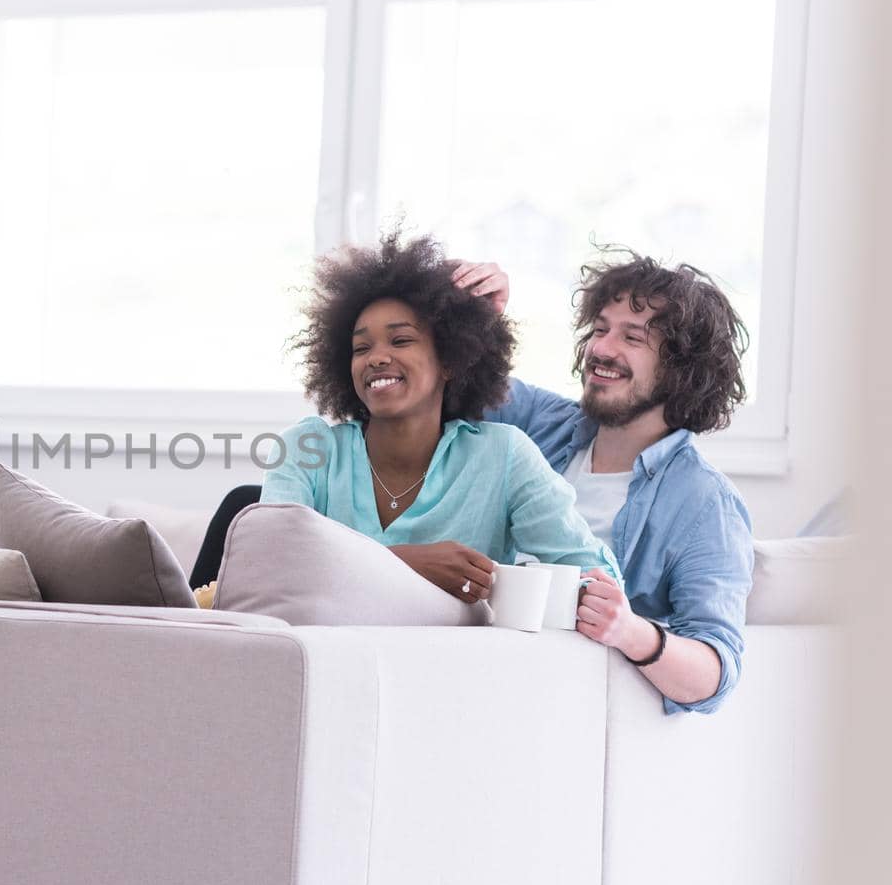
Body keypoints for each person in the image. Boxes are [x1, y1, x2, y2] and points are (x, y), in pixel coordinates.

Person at [192, 231, 619, 619]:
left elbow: (595, 576)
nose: (376, 357)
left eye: (400, 341)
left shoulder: (502, 455)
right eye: (362, 347)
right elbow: (269, 571)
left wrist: (539, 589)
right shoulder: (309, 447)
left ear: (450, 360)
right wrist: (405, 560)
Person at [451, 251, 753, 714]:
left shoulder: (704, 502)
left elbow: (716, 671)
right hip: (467, 666)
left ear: (681, 371)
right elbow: (451, 392)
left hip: (561, 705)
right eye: (599, 329)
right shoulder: (542, 423)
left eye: (632, 337)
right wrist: (477, 321)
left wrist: (630, 631)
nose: (602, 349)